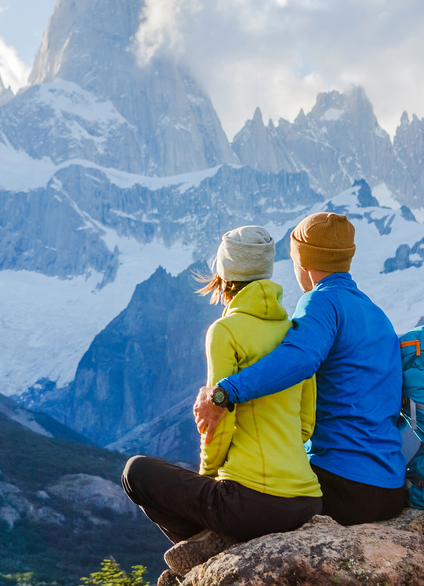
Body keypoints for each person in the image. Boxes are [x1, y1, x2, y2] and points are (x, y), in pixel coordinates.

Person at [122, 226, 322, 578]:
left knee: (135, 473)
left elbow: (219, 422)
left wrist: (208, 481)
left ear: (224, 274)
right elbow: (306, 424)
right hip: (307, 501)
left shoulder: (225, 331)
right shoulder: (295, 331)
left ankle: (211, 551)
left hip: (253, 505)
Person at [193, 212, 407, 527]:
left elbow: (299, 359)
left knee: (260, 500)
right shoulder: (375, 313)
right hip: (391, 489)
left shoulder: (320, 302)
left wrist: (225, 391)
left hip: (343, 486)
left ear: (302, 263)